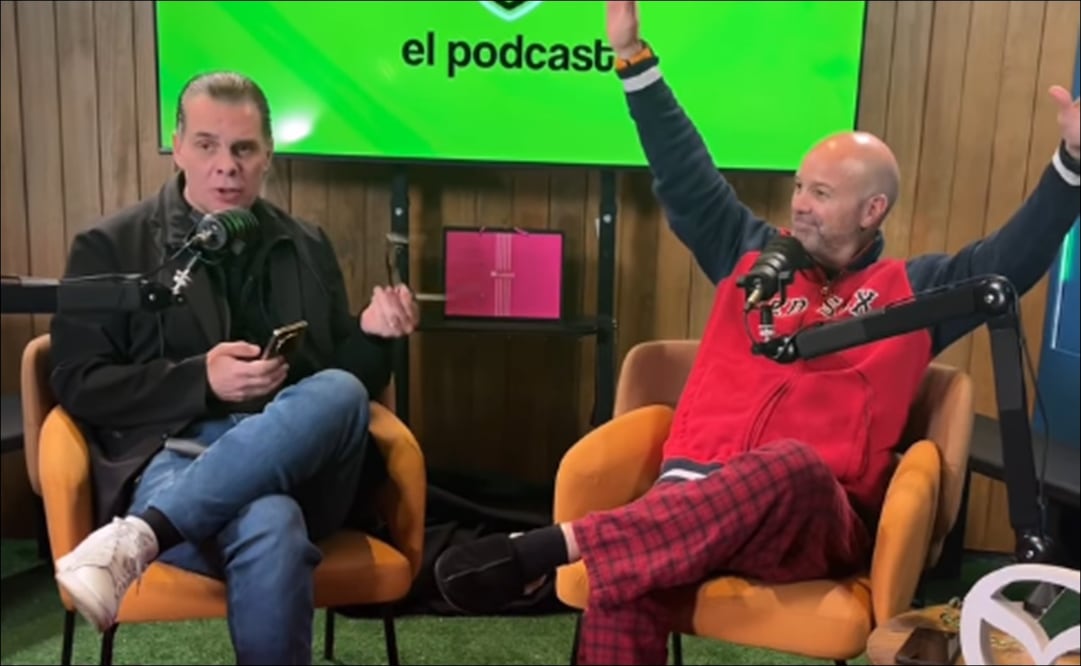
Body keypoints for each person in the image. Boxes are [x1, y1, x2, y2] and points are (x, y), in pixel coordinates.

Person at [432, 2, 1081, 663]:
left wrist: (1072, 164)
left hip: (807, 516)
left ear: (871, 209)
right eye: (799, 186)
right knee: (630, 580)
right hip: (682, 500)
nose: (799, 202)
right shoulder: (746, 251)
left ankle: (551, 548)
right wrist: (632, 59)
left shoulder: (914, 294)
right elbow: (683, 174)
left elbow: (1009, 261)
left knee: (790, 463)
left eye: (821, 193)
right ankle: (597, 544)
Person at [49, 71, 420, 664]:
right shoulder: (108, 247)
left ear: (268, 155)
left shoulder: (307, 244)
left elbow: (346, 386)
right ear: (177, 144)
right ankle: (154, 526)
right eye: (207, 145)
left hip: (303, 475)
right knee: (269, 523)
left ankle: (140, 539)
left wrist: (375, 337)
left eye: (244, 148)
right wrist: (200, 382)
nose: (227, 165)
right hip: (174, 460)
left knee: (341, 390)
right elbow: (75, 382)